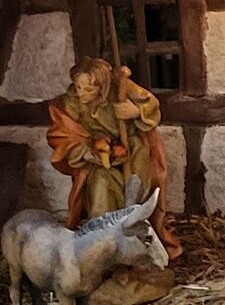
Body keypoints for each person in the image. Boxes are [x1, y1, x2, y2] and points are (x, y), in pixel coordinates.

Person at [47, 56, 181, 259]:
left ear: (102, 87)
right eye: (78, 87)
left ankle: (137, 249)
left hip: (134, 156)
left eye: (89, 89)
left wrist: (136, 111)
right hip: (99, 162)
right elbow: (63, 136)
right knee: (100, 188)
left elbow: (151, 105)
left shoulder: (122, 87)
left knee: (136, 198)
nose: (81, 93)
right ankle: (101, 248)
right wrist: (89, 152)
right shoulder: (70, 104)